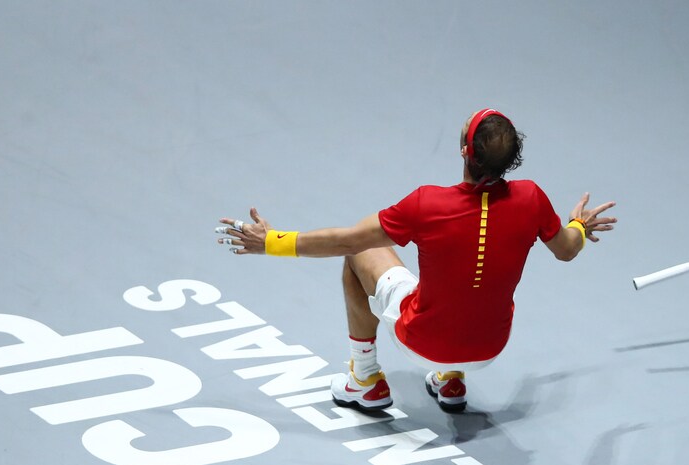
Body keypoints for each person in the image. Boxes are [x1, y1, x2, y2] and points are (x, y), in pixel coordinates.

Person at [216, 108, 616, 414]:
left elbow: (346, 240)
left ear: (465, 152)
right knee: (461, 279)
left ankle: (365, 380)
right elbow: (567, 249)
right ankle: (450, 379)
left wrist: (272, 242)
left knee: (360, 253)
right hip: (490, 346)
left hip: (423, 340)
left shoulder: (428, 204)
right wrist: (579, 226)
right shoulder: (531, 199)